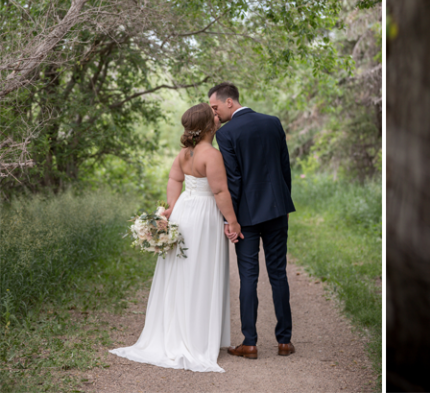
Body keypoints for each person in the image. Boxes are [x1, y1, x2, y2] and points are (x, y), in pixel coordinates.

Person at [110, 103, 242, 372]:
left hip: (184, 211)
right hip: (204, 215)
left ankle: (180, 330)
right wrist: (233, 221)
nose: (219, 118)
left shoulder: (186, 152)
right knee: (200, 271)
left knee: (182, 271)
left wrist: (171, 207)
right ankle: (195, 337)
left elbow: (174, 177)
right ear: (209, 126)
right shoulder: (212, 155)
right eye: (215, 116)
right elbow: (219, 193)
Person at [208, 82, 296, 360]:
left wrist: (230, 219)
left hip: (246, 216)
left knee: (248, 277)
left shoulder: (227, 133)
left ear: (230, 102)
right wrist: (281, 201)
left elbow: (233, 180)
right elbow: (285, 168)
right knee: (278, 273)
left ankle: (250, 343)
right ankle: (284, 341)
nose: (215, 113)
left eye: (215, 107)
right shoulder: (273, 123)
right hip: (277, 209)